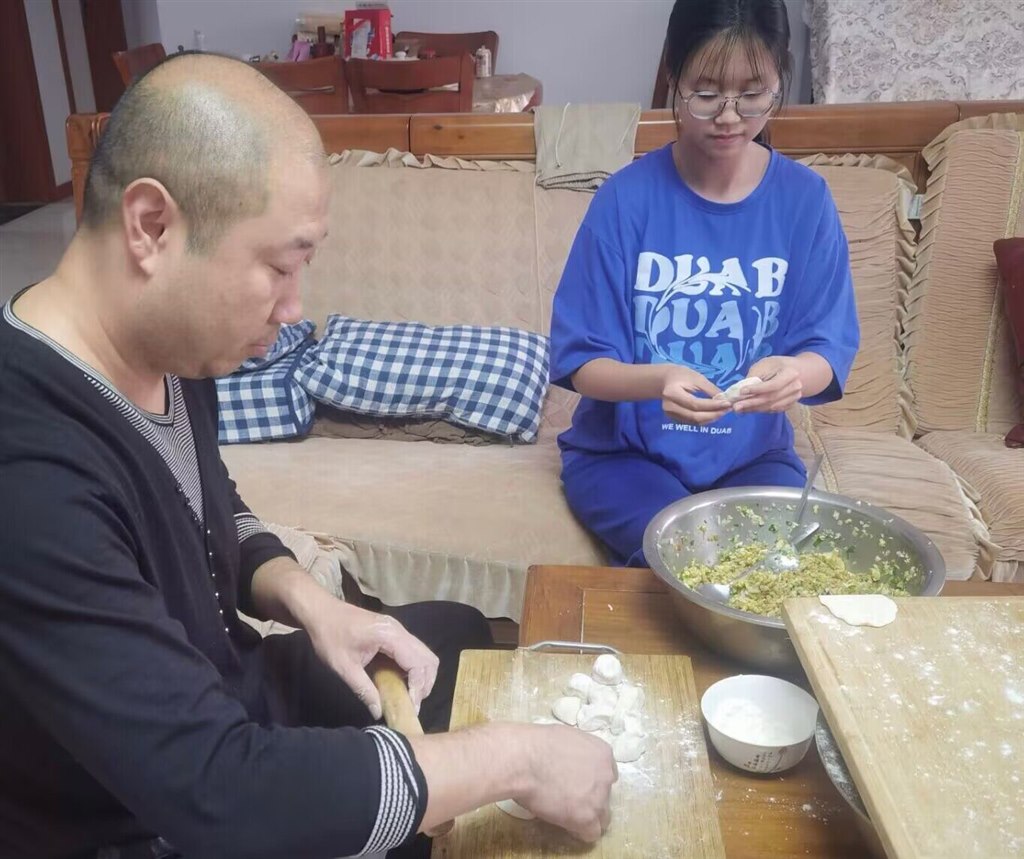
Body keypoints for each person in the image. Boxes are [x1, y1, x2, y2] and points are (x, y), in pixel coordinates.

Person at [0, 53, 616, 859]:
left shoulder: (167, 347)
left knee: (455, 638)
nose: (295, 308)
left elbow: (210, 504)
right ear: (151, 226)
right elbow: (220, 792)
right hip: (144, 817)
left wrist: (311, 601)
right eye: (279, 266)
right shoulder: (30, 474)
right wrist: (515, 760)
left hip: (227, 693)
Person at [550, 0, 860, 567]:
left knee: (788, 568)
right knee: (689, 558)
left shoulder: (805, 200)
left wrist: (795, 374)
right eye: (707, 92)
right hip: (623, 459)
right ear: (674, 76)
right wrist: (659, 380)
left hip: (754, 461)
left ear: (779, 80)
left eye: (752, 93)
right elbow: (582, 362)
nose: (729, 116)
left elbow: (827, 346)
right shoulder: (626, 198)